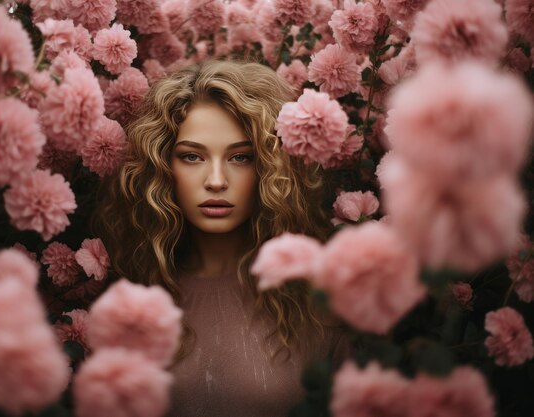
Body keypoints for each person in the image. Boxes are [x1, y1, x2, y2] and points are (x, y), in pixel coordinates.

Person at [93, 59, 350, 417]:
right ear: (164, 166)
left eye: (240, 157)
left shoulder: (321, 306)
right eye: (192, 156)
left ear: (268, 166)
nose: (216, 180)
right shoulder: (131, 303)